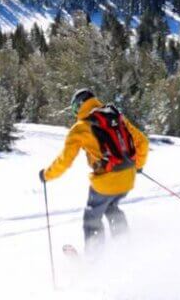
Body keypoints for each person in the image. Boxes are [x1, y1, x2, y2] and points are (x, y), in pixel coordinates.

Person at [39, 88, 149, 255]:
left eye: (75, 108)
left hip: (105, 181)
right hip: (128, 177)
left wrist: (47, 175)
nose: (75, 112)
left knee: (92, 217)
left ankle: (94, 260)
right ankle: (125, 248)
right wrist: (138, 165)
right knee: (111, 207)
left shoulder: (81, 128)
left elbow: (65, 160)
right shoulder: (116, 117)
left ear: (80, 105)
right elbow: (143, 142)